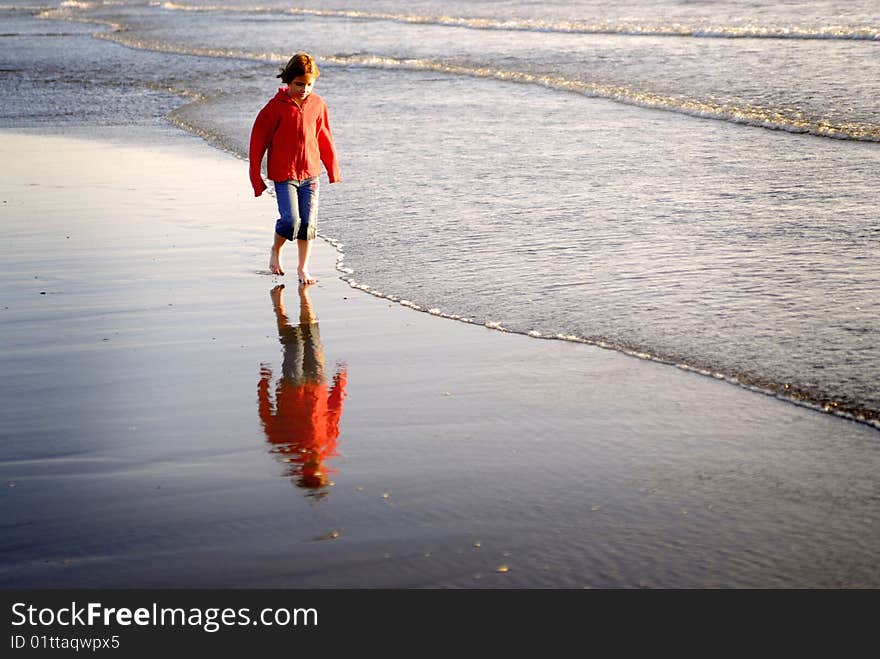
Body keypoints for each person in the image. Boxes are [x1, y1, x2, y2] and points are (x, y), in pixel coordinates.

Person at [249, 52, 341, 284]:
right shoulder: (273, 109)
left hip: (311, 174)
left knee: (308, 224)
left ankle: (303, 269)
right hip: (284, 174)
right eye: (299, 84)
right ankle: (276, 250)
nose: (305, 89)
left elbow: (324, 137)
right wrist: (255, 177)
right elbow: (257, 144)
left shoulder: (318, 105)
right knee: (291, 221)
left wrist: (332, 168)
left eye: (309, 84)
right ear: (288, 81)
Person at [258, 284, 347, 496]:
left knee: (294, 342)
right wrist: (339, 382)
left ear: (304, 473)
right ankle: (304, 295)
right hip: (317, 383)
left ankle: (278, 304)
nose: (318, 469)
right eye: (321, 473)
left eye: (315, 474)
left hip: (292, 386)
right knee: (312, 337)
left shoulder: (286, 449)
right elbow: (335, 413)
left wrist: (264, 385)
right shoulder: (329, 447)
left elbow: (267, 417)